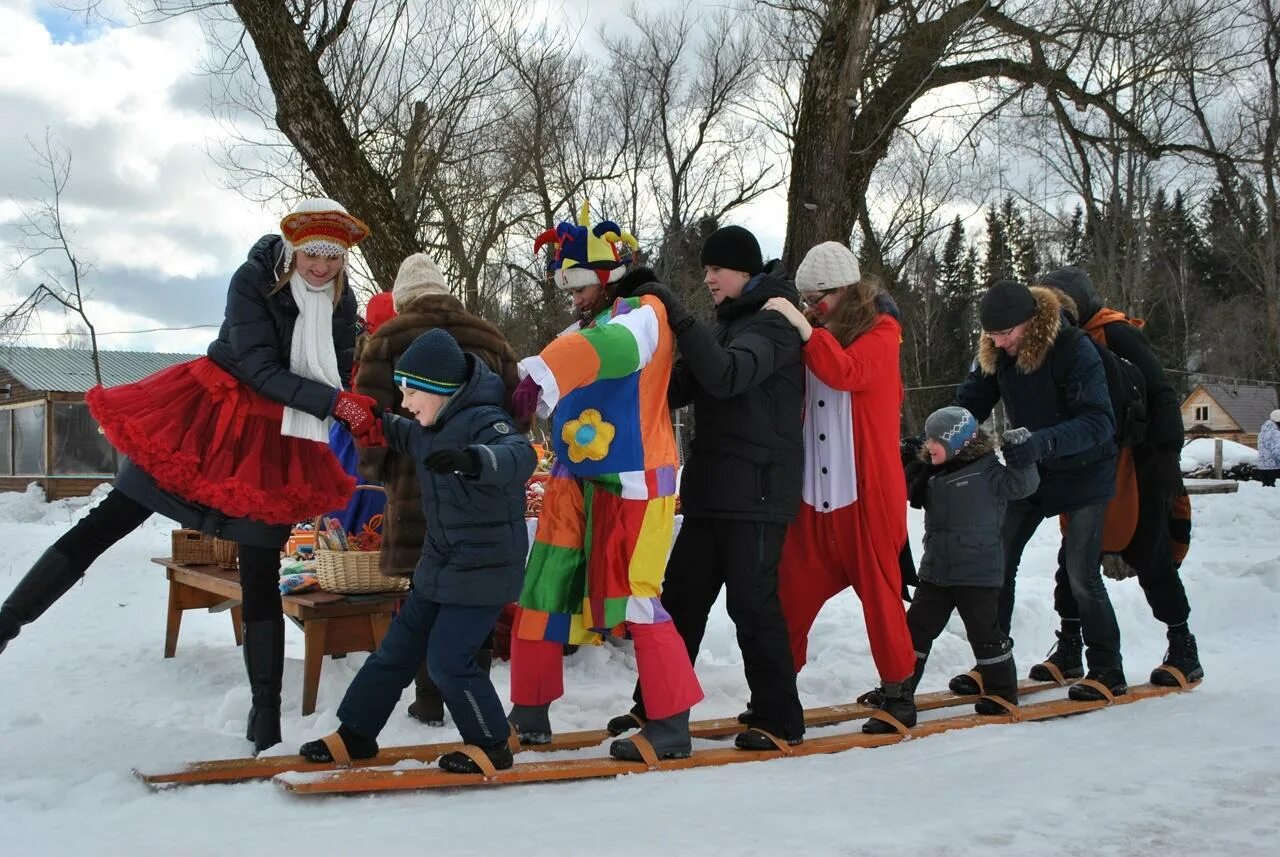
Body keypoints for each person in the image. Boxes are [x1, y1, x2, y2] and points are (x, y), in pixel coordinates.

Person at [0, 198, 381, 754]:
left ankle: (264, 721)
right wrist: (334, 404)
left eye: (332, 257)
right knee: (110, 520)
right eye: (312, 255)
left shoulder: (342, 301)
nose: (320, 267)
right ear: (294, 248)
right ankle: (7, 624)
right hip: (209, 416)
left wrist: (359, 406)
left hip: (276, 438)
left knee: (259, 571)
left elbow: (339, 367)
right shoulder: (253, 278)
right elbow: (255, 365)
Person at [507, 203, 704, 762]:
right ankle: (530, 710)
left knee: (635, 598)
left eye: (577, 282)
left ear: (606, 273)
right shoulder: (585, 322)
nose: (570, 294)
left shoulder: (644, 312)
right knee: (542, 589)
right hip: (575, 478)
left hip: (634, 482)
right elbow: (548, 369)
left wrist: (544, 370)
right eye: (565, 283)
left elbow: (611, 352)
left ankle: (671, 722)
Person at [299, 328, 535, 774]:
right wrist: (364, 417)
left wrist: (475, 460)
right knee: (395, 650)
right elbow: (399, 429)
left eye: (411, 391)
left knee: (448, 661)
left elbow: (517, 453)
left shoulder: (486, 418)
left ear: (441, 389)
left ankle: (491, 743)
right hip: (440, 561)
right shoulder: (432, 424)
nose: (405, 400)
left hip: (484, 568)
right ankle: (356, 733)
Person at [612, 224, 807, 751]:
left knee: (753, 605)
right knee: (683, 598)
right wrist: (632, 357)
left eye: (715, 269)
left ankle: (778, 717)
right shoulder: (723, 326)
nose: (709, 278)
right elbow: (679, 388)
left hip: (759, 494)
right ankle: (655, 707)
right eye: (704, 271)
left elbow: (725, 377)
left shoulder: (775, 325)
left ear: (744, 270)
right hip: (713, 490)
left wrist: (678, 313)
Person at [354, 252, 521, 726]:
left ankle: (429, 700)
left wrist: (379, 470)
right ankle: (468, 695)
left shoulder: (387, 338)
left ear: (402, 299)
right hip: (480, 483)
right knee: (475, 590)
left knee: (424, 589)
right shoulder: (489, 335)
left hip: (414, 483)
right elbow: (516, 409)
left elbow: (371, 419)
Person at [762, 241, 919, 735]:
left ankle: (899, 693)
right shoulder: (818, 333)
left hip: (865, 497)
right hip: (815, 498)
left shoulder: (882, 332)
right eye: (807, 300)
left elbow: (845, 372)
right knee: (790, 595)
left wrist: (805, 328)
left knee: (880, 596)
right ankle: (778, 692)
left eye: (818, 298)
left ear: (845, 290)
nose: (812, 308)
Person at [953, 279, 1127, 702]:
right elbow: (970, 403)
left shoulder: (1073, 348)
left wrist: (1043, 441)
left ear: (1030, 323)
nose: (1000, 342)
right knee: (999, 560)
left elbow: (1100, 422)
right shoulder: (998, 353)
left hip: (1086, 468)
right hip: (1032, 469)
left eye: (1007, 333)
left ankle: (1107, 667)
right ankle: (993, 664)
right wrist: (939, 440)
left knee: (1081, 573)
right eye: (992, 335)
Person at [1037, 266, 1203, 687]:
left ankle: (1183, 648)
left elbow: (1161, 393)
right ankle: (1071, 645)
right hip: (1090, 464)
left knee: (1150, 552)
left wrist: (1165, 462)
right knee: (1073, 557)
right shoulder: (1059, 343)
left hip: (1138, 464)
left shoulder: (1116, 334)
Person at [903, 407, 1040, 715]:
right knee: (914, 630)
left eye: (938, 439)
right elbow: (910, 487)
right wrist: (906, 459)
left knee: (984, 633)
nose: (930, 445)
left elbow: (1024, 486)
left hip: (977, 572)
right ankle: (899, 692)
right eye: (929, 438)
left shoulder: (989, 472)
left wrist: (1022, 454)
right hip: (937, 570)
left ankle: (1002, 693)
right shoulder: (932, 471)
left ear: (960, 443)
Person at [1258, 409, 1280, 487]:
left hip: (1263, 467)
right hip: (1274, 468)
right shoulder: (1275, 433)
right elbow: (1277, 451)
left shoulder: (1262, 433)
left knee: (1267, 491)